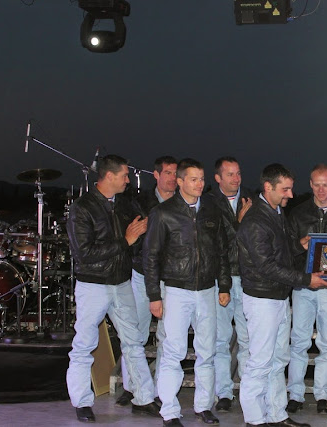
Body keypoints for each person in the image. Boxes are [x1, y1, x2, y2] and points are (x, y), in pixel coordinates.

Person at [66, 154, 160, 422]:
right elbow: (83, 253)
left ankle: (143, 398)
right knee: (84, 344)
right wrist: (126, 240)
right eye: (124, 176)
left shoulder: (122, 205)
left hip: (121, 283)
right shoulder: (82, 208)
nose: (128, 180)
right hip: (93, 285)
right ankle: (82, 402)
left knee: (134, 342)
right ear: (109, 176)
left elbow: (138, 233)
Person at [237, 163, 327, 427]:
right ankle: (254, 419)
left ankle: (276, 414)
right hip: (262, 299)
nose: (290, 194)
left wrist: (299, 246)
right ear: (268, 187)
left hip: (277, 298)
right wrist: (306, 279)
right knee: (260, 361)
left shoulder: (276, 213)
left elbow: (281, 252)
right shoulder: (256, 220)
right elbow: (266, 266)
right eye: (285, 189)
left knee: (279, 360)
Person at [143, 158, 230, 426]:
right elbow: (151, 256)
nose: (200, 184)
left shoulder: (211, 211)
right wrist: (154, 295)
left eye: (202, 179)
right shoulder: (163, 213)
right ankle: (169, 410)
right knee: (173, 351)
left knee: (208, 351)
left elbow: (222, 250)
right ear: (180, 182)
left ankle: (203, 406)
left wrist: (224, 285)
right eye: (193, 179)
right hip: (177, 290)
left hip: (206, 289)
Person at [286, 164, 327, 415]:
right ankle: (295, 394)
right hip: (303, 285)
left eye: (326, 184)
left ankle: (323, 395)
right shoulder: (297, 212)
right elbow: (287, 250)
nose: (321, 189)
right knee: (299, 341)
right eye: (316, 184)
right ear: (310, 184)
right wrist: (299, 247)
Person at [117, 155, 177, 407]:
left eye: (176, 174)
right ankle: (132, 387)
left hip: (172, 278)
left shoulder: (184, 203)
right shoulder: (139, 203)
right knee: (136, 333)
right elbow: (132, 238)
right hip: (142, 275)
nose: (172, 179)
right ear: (156, 175)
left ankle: (161, 390)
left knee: (167, 336)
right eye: (168, 173)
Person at [201, 156, 254, 412]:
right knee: (220, 339)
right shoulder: (207, 202)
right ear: (218, 178)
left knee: (247, 338)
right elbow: (214, 241)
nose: (236, 178)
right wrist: (238, 223)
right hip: (219, 277)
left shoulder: (252, 200)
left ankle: (247, 392)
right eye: (230, 174)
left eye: (238, 173)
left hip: (246, 277)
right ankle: (223, 393)